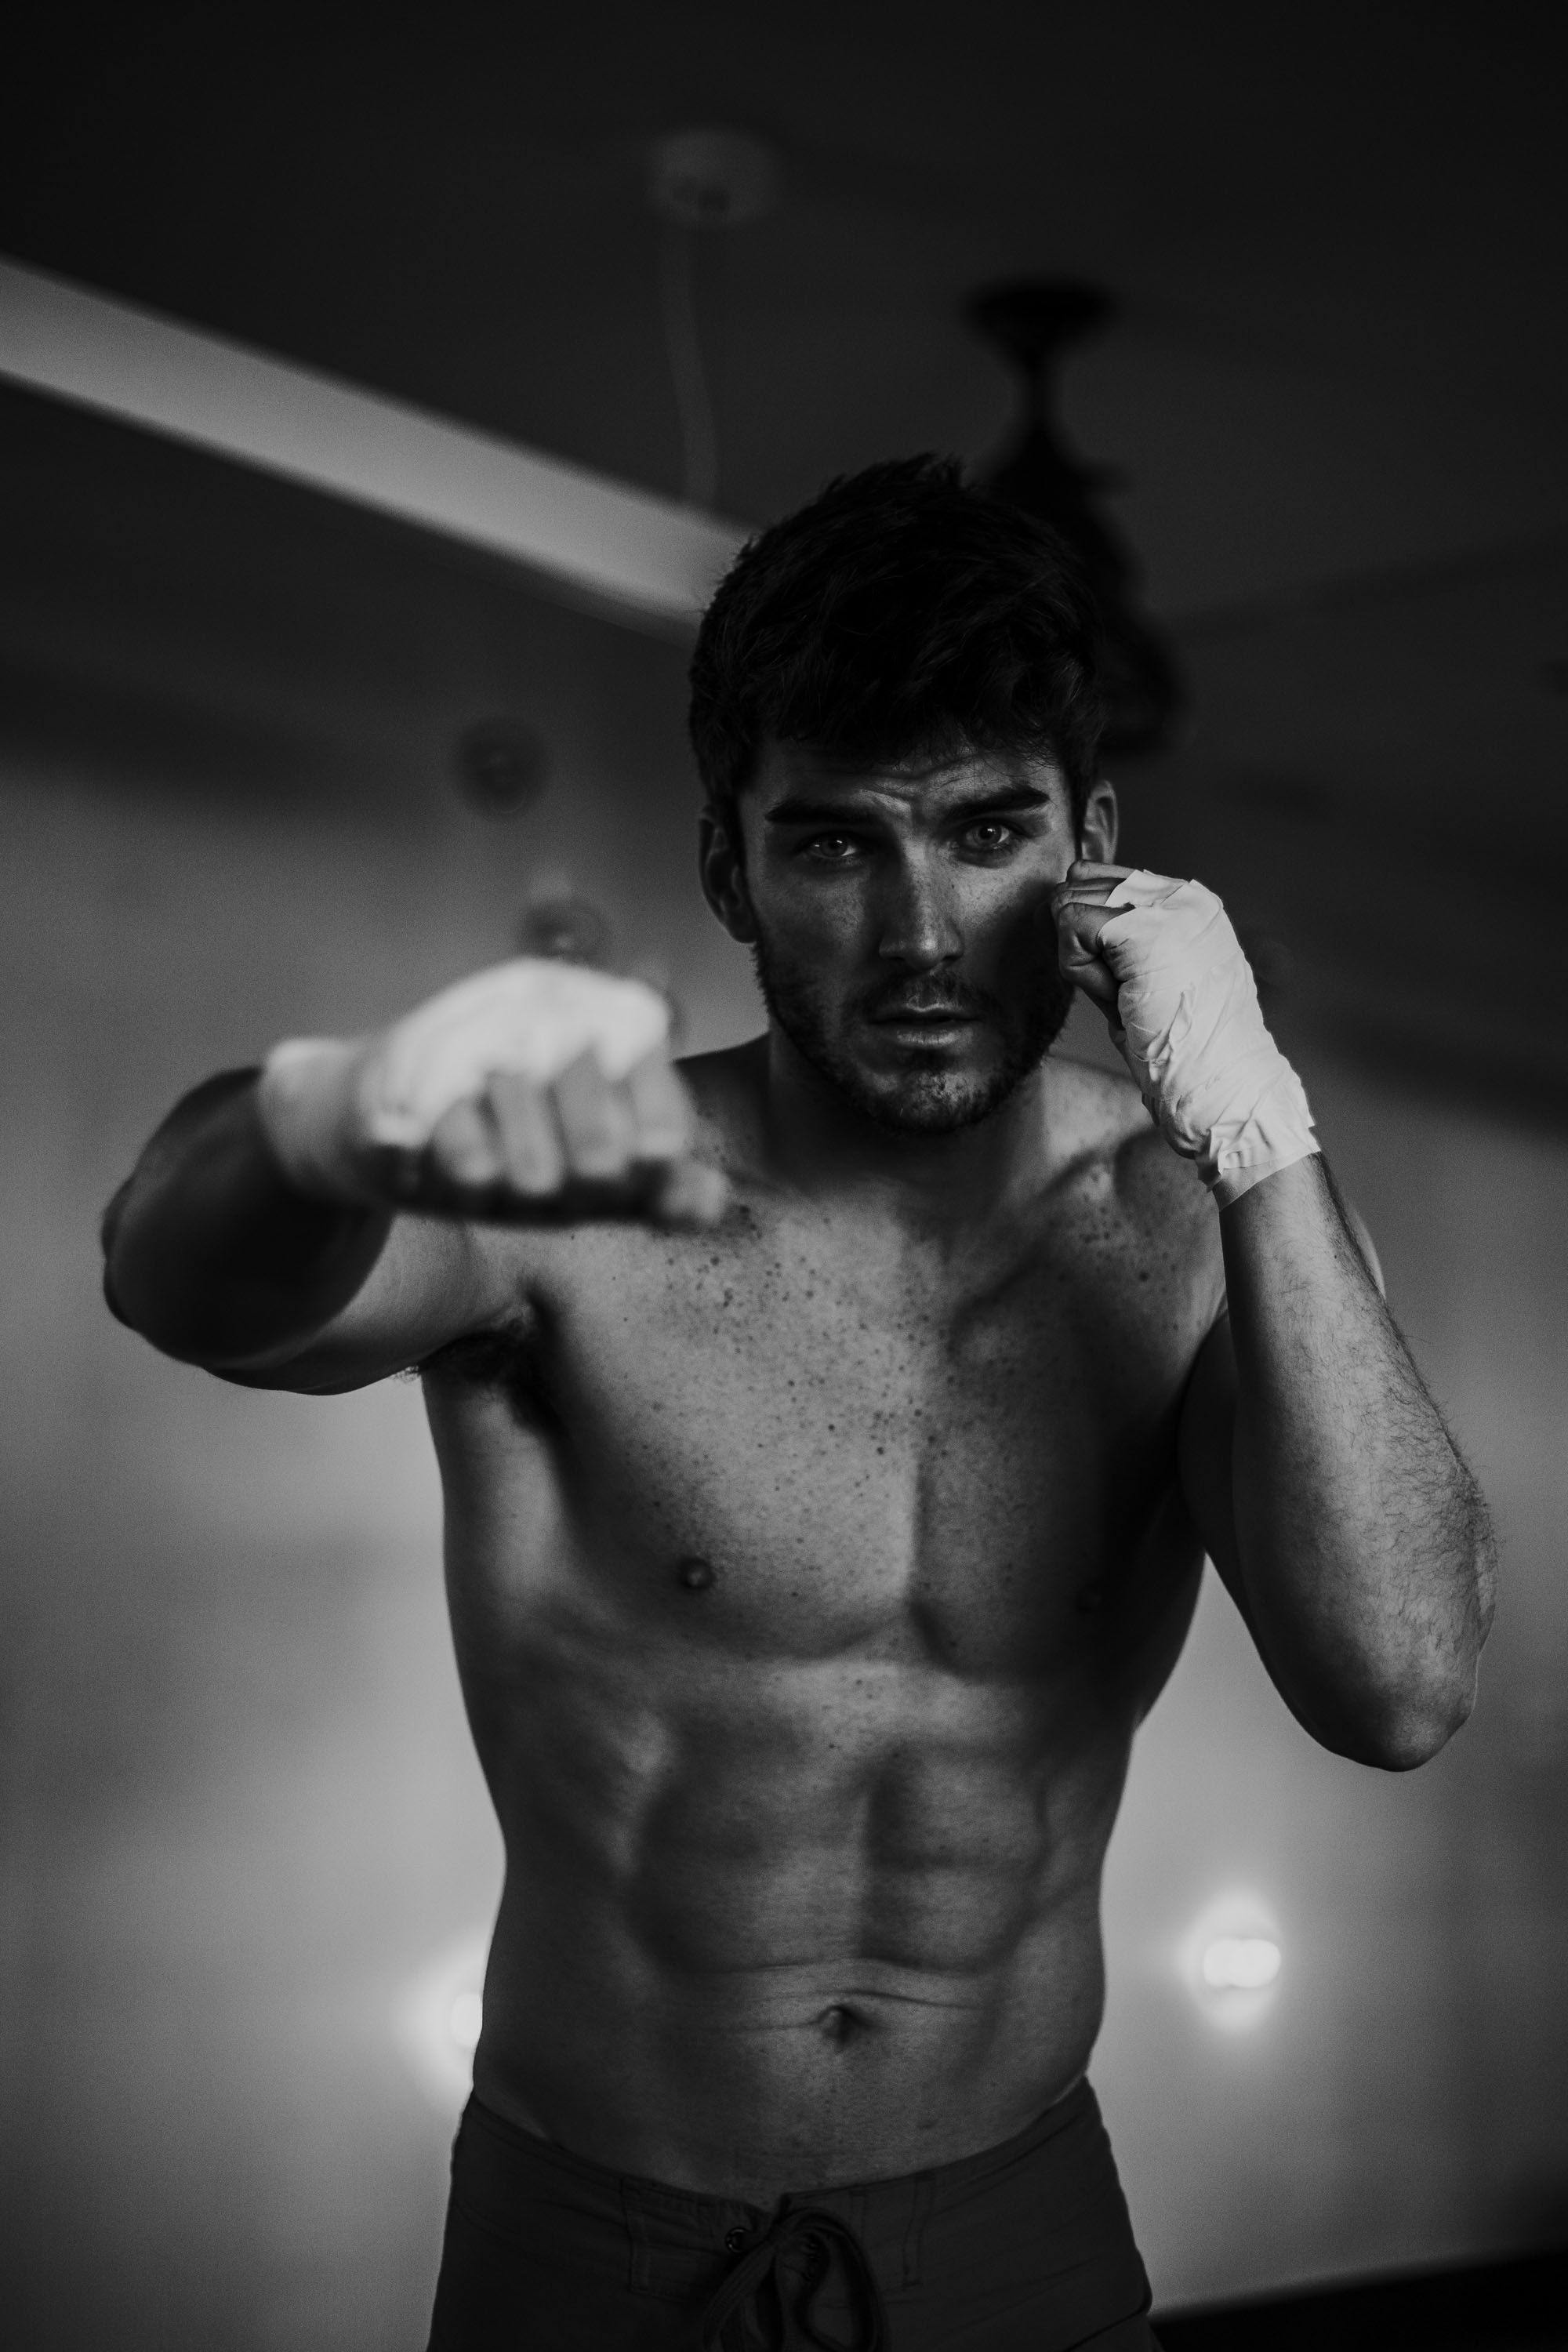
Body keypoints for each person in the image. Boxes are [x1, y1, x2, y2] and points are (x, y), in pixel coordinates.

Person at [103, 457, 1494, 2351]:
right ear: (728, 868)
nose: (923, 935)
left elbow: (1399, 1687)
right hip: (591, 2236)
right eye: (837, 846)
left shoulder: (1194, 1225)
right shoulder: (579, 1198)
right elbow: (177, 1289)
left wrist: (1260, 1134)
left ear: (1094, 844)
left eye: (988, 833)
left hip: (1013, 2226)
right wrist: (322, 1117)